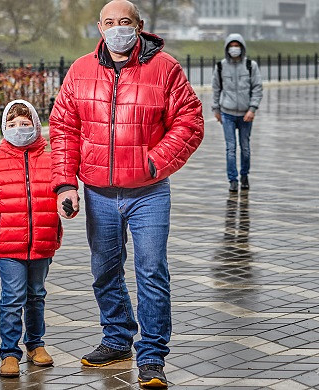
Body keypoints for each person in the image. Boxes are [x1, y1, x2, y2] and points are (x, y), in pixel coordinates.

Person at [48, 0, 204, 387]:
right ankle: (117, 339)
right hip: (98, 192)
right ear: (99, 27)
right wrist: (65, 183)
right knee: (104, 271)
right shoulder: (81, 70)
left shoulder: (164, 68)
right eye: (110, 22)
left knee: (151, 272)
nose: (118, 28)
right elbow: (63, 128)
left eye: (125, 22)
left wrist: (156, 161)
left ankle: (151, 357)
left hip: (149, 193)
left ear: (139, 25)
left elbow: (190, 121)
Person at [0, 100, 62, 377]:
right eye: (12, 125)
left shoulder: (51, 161)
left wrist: (68, 207)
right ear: (4, 129)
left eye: (24, 124)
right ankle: (9, 352)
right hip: (8, 247)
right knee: (12, 299)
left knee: (36, 295)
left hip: (42, 242)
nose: (18, 129)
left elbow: (64, 197)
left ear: (35, 126)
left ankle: (35, 345)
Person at [212, 33, 263, 192]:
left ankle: (244, 175)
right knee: (230, 148)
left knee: (245, 148)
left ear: (242, 47)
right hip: (227, 113)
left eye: (237, 46)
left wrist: (252, 109)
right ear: (227, 48)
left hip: (245, 115)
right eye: (231, 46)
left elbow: (257, 88)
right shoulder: (220, 66)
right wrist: (216, 109)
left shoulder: (250, 66)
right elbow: (216, 89)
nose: (234, 49)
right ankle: (232, 180)